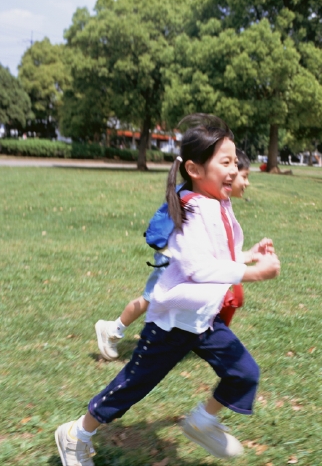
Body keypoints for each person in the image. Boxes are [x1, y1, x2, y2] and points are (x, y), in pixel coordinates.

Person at [55, 114, 280, 466]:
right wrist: (253, 274)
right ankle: (76, 434)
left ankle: (203, 422)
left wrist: (248, 255)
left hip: (204, 319)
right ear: (194, 168)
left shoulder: (216, 202)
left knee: (244, 372)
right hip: (172, 324)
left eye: (235, 161)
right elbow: (197, 268)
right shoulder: (192, 209)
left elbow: (215, 256)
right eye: (225, 162)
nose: (235, 170)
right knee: (134, 385)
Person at [95, 148, 252, 361]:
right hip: (172, 258)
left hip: (182, 260)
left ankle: (182, 339)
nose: (246, 182)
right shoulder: (201, 200)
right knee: (151, 298)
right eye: (244, 176)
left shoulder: (216, 200)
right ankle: (112, 329)